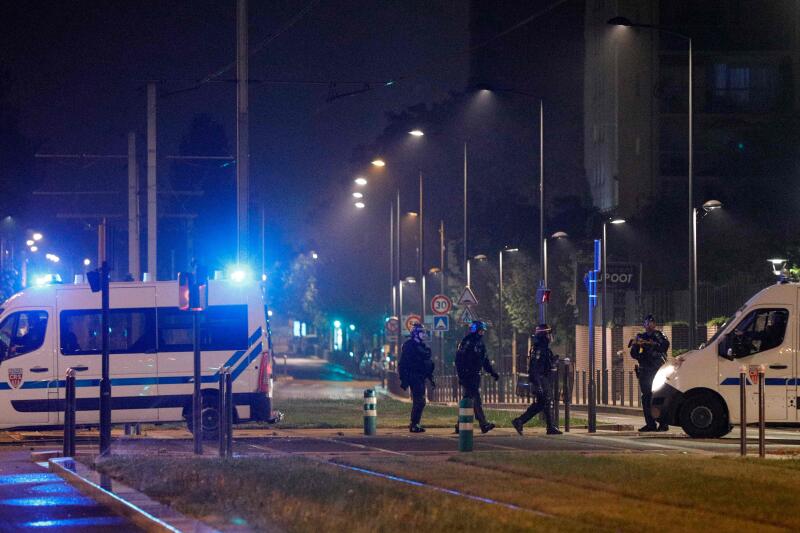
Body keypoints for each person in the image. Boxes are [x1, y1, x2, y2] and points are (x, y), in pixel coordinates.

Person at [512, 324, 562, 435]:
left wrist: (553, 361)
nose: (550, 336)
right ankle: (521, 421)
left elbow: (544, 365)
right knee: (545, 402)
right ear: (544, 335)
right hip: (540, 379)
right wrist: (538, 384)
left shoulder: (543, 348)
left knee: (543, 403)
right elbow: (534, 367)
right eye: (549, 334)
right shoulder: (539, 348)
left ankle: (548, 426)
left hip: (543, 379)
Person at [455, 320, 498, 434]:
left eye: (483, 331)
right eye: (481, 331)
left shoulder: (479, 343)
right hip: (468, 375)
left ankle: (461, 424)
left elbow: (484, 360)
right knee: (474, 399)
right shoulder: (467, 342)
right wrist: (462, 376)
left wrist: (492, 372)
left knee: (469, 399)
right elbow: (459, 360)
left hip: (474, 375)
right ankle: (483, 424)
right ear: (476, 331)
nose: (483, 333)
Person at [630, 314, 670, 432]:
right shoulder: (640, 336)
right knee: (646, 398)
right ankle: (650, 424)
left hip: (658, 371)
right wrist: (637, 346)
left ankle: (663, 423)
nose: (648, 325)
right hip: (645, 371)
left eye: (651, 322)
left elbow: (665, 346)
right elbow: (633, 354)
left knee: (659, 397)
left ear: (654, 324)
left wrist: (652, 344)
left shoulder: (659, 335)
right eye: (646, 322)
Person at [398, 323, 435, 433]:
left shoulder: (423, 346)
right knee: (419, 401)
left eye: (424, 332)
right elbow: (403, 363)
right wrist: (404, 379)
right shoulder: (409, 346)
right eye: (421, 332)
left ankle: (415, 423)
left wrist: (431, 378)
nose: (423, 334)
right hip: (414, 376)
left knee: (420, 401)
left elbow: (426, 363)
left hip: (421, 376)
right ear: (415, 334)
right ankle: (414, 424)